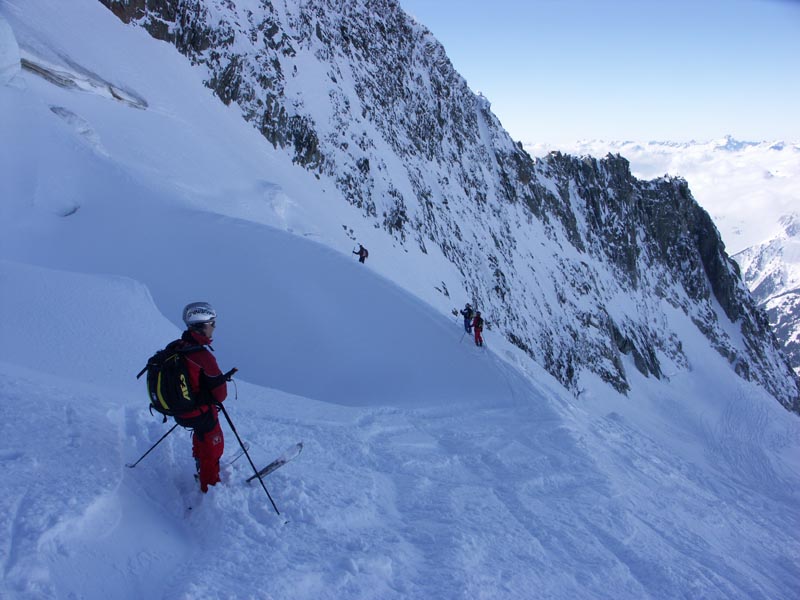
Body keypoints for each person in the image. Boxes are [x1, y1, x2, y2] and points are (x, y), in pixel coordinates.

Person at [174, 302, 230, 493]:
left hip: (179, 410)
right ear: (202, 324)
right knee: (214, 444)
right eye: (212, 323)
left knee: (201, 433)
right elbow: (220, 395)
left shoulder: (177, 347)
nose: (214, 328)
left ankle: (200, 463)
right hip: (195, 412)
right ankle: (210, 486)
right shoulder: (203, 356)